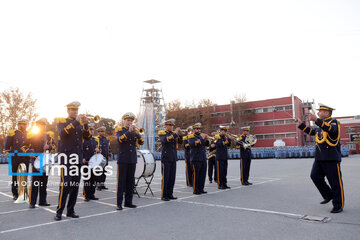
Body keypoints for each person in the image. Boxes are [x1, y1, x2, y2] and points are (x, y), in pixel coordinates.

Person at [295, 103, 344, 213]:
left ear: (327, 113)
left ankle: (338, 205)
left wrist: (316, 120)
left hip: (331, 157)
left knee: (335, 182)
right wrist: (301, 124)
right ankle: (328, 195)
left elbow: (331, 130)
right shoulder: (321, 125)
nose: (317, 113)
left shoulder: (334, 122)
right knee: (315, 176)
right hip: (320, 157)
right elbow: (312, 132)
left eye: (320, 111)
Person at [54, 101, 91, 221]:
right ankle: (59, 211)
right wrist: (76, 122)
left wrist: (85, 125)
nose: (75, 112)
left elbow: (87, 137)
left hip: (77, 158)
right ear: (68, 111)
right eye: (72, 110)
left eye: (76, 110)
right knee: (65, 185)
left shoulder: (79, 124)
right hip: (66, 158)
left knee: (75, 186)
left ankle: (70, 210)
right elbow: (63, 133)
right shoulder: (61, 121)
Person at [115, 112, 144, 210]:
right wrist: (129, 132)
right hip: (123, 159)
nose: (130, 122)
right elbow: (120, 140)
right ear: (124, 121)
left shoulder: (134, 132)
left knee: (130, 182)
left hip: (132, 159)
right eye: (128, 120)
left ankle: (128, 202)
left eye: (131, 121)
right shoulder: (120, 130)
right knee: (121, 182)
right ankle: (119, 203)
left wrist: (137, 134)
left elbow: (141, 142)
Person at [28, 118, 56, 208]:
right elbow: (24, 146)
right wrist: (30, 153)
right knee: (35, 182)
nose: (43, 127)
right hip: (36, 162)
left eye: (44, 125)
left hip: (46, 162)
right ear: (37, 126)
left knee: (44, 183)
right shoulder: (32, 135)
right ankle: (32, 202)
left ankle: (42, 201)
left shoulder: (48, 136)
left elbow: (55, 145)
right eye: (41, 125)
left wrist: (49, 146)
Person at [4, 119, 29, 201]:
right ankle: (15, 193)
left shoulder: (29, 134)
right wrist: (9, 155)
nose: (21, 125)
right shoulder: (13, 133)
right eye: (20, 124)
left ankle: (23, 192)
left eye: (23, 124)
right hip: (15, 157)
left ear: (26, 125)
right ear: (18, 125)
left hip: (25, 157)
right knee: (15, 176)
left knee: (24, 176)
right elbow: (7, 146)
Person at [158, 119, 182, 201]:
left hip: (173, 158)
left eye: (172, 126)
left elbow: (180, 142)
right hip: (166, 158)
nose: (172, 127)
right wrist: (175, 133)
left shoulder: (173, 134)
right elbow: (165, 140)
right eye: (170, 125)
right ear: (166, 126)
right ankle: (164, 195)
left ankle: (170, 193)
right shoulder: (162, 133)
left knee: (172, 177)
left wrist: (180, 134)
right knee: (166, 177)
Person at [188, 123, 209, 195]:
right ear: (193, 130)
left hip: (203, 158)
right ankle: (195, 189)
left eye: (199, 129)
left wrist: (207, 139)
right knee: (196, 174)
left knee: (202, 174)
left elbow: (206, 144)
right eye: (197, 129)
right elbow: (193, 144)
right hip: (195, 158)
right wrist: (203, 138)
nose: (198, 130)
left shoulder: (200, 136)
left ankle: (201, 188)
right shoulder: (191, 136)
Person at [82, 123, 100, 201]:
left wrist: (98, 150)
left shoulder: (95, 140)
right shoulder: (83, 139)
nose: (92, 131)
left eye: (92, 129)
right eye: (90, 129)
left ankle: (92, 194)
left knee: (93, 179)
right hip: (86, 161)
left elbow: (100, 150)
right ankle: (86, 195)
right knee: (86, 179)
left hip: (94, 162)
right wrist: (82, 158)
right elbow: (80, 149)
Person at [96, 126, 111, 190]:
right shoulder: (96, 139)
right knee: (99, 172)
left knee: (104, 172)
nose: (102, 133)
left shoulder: (106, 139)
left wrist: (109, 155)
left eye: (103, 131)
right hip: (99, 158)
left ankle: (102, 184)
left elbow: (108, 148)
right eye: (101, 131)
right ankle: (98, 185)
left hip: (105, 157)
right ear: (98, 132)